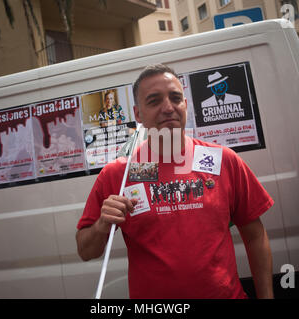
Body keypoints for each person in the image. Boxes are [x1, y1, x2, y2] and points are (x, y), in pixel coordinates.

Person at [76, 64, 274, 299]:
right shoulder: (118, 174)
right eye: (154, 101)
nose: (168, 108)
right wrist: (102, 225)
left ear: (186, 105)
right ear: (138, 114)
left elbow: (254, 236)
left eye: (175, 98)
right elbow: (85, 251)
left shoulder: (224, 161)